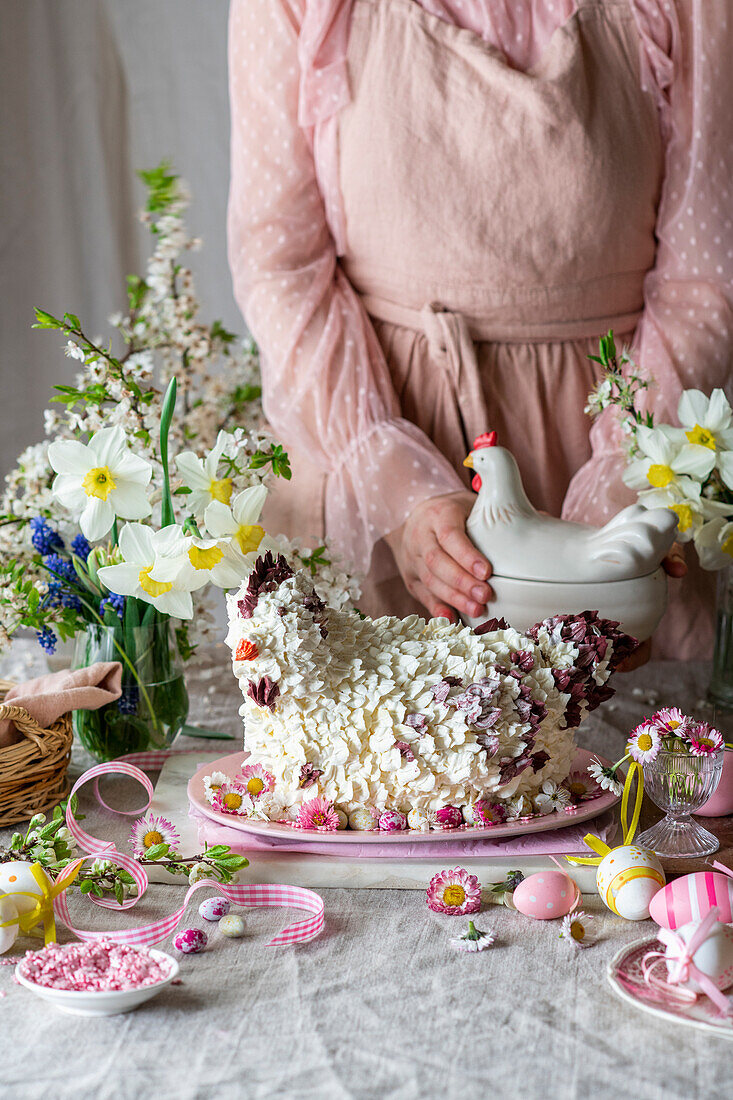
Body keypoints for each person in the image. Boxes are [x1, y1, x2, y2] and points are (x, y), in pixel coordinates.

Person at [227, 0, 732, 661]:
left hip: (615, 431)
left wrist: (620, 486)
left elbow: (704, 278)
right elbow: (279, 262)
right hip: (368, 443)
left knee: (620, 752)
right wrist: (400, 491)